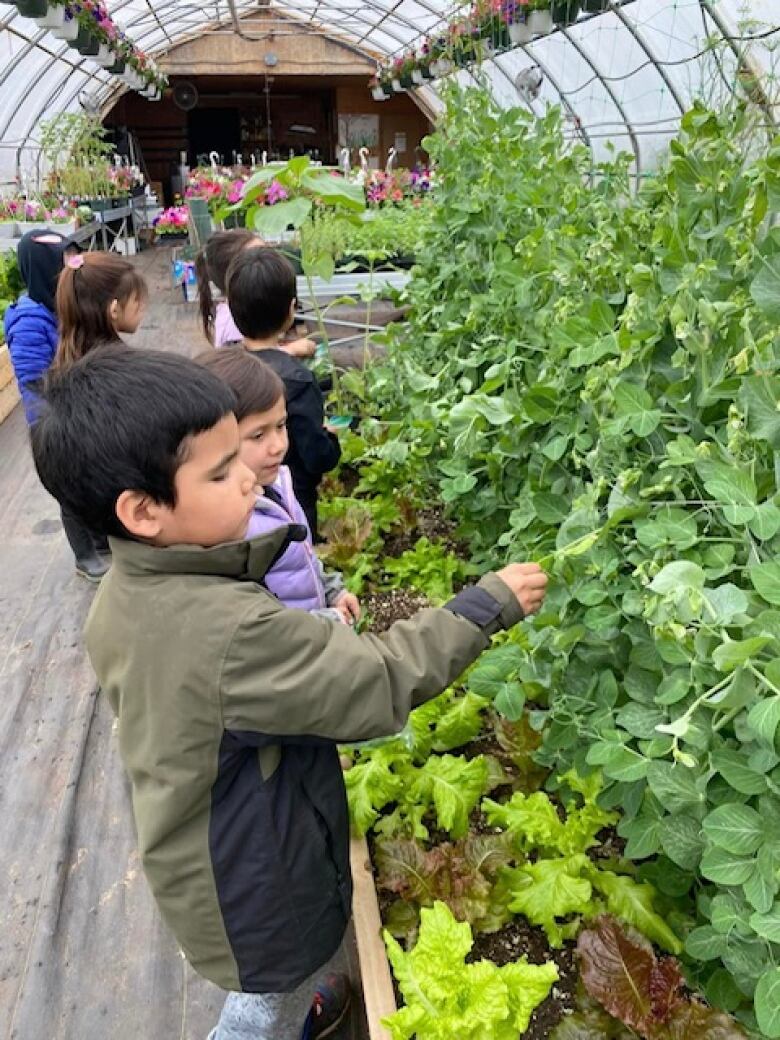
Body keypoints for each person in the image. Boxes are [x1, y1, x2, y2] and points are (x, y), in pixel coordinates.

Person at [30, 345, 548, 1040]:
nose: (251, 476)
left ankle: (289, 1007)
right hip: (257, 887)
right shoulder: (226, 631)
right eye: (220, 471)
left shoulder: (132, 589)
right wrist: (486, 607)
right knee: (267, 997)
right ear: (144, 510)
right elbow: (376, 681)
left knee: (278, 983)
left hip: (212, 851)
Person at [197, 347, 360, 625]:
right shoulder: (231, 526)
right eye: (258, 435)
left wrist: (332, 590)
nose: (279, 445)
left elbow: (303, 555)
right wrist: (327, 621)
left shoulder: (279, 481)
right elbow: (263, 622)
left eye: (281, 425)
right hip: (293, 649)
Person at [3, 230, 108, 581]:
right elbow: (34, 382)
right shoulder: (30, 320)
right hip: (55, 418)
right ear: (45, 271)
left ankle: (100, 538)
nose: (72, 271)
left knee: (93, 477)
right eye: (65, 264)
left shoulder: (61, 307)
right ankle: (85, 555)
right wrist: (56, 424)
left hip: (79, 407)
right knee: (70, 488)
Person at [227, 246, 340, 538]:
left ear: (232, 307)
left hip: (237, 503)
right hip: (292, 503)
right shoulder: (298, 381)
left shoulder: (225, 370)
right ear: (291, 310)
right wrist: (331, 441)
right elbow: (315, 456)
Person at [196, 229, 315, 356]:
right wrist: (291, 350)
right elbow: (248, 361)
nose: (268, 261)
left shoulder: (239, 309)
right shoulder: (233, 322)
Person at [53, 251, 148, 370]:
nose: (143, 306)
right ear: (114, 310)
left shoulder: (66, 363)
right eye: (137, 299)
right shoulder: (124, 371)